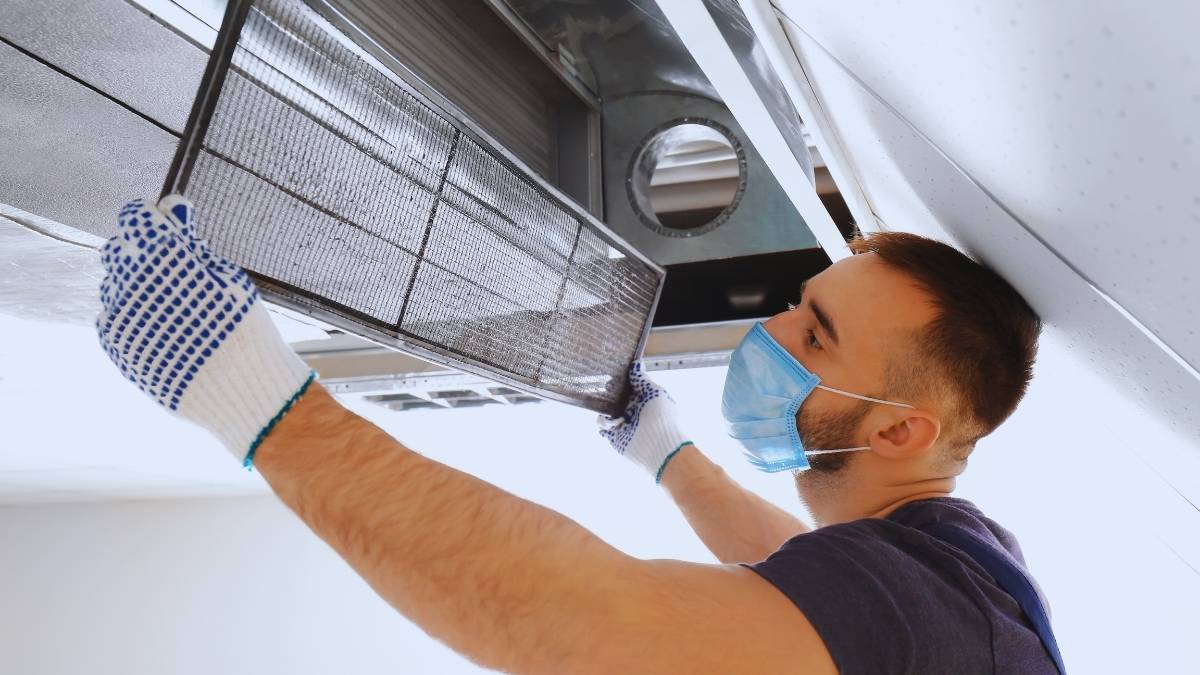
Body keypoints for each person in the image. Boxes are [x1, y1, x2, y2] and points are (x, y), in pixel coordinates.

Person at [96, 195, 1058, 674]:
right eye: (796, 304)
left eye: (815, 334)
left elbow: (580, 621)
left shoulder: (937, 599)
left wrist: (261, 405)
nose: (770, 333)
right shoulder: (954, 568)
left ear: (899, 429)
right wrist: (667, 457)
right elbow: (799, 574)